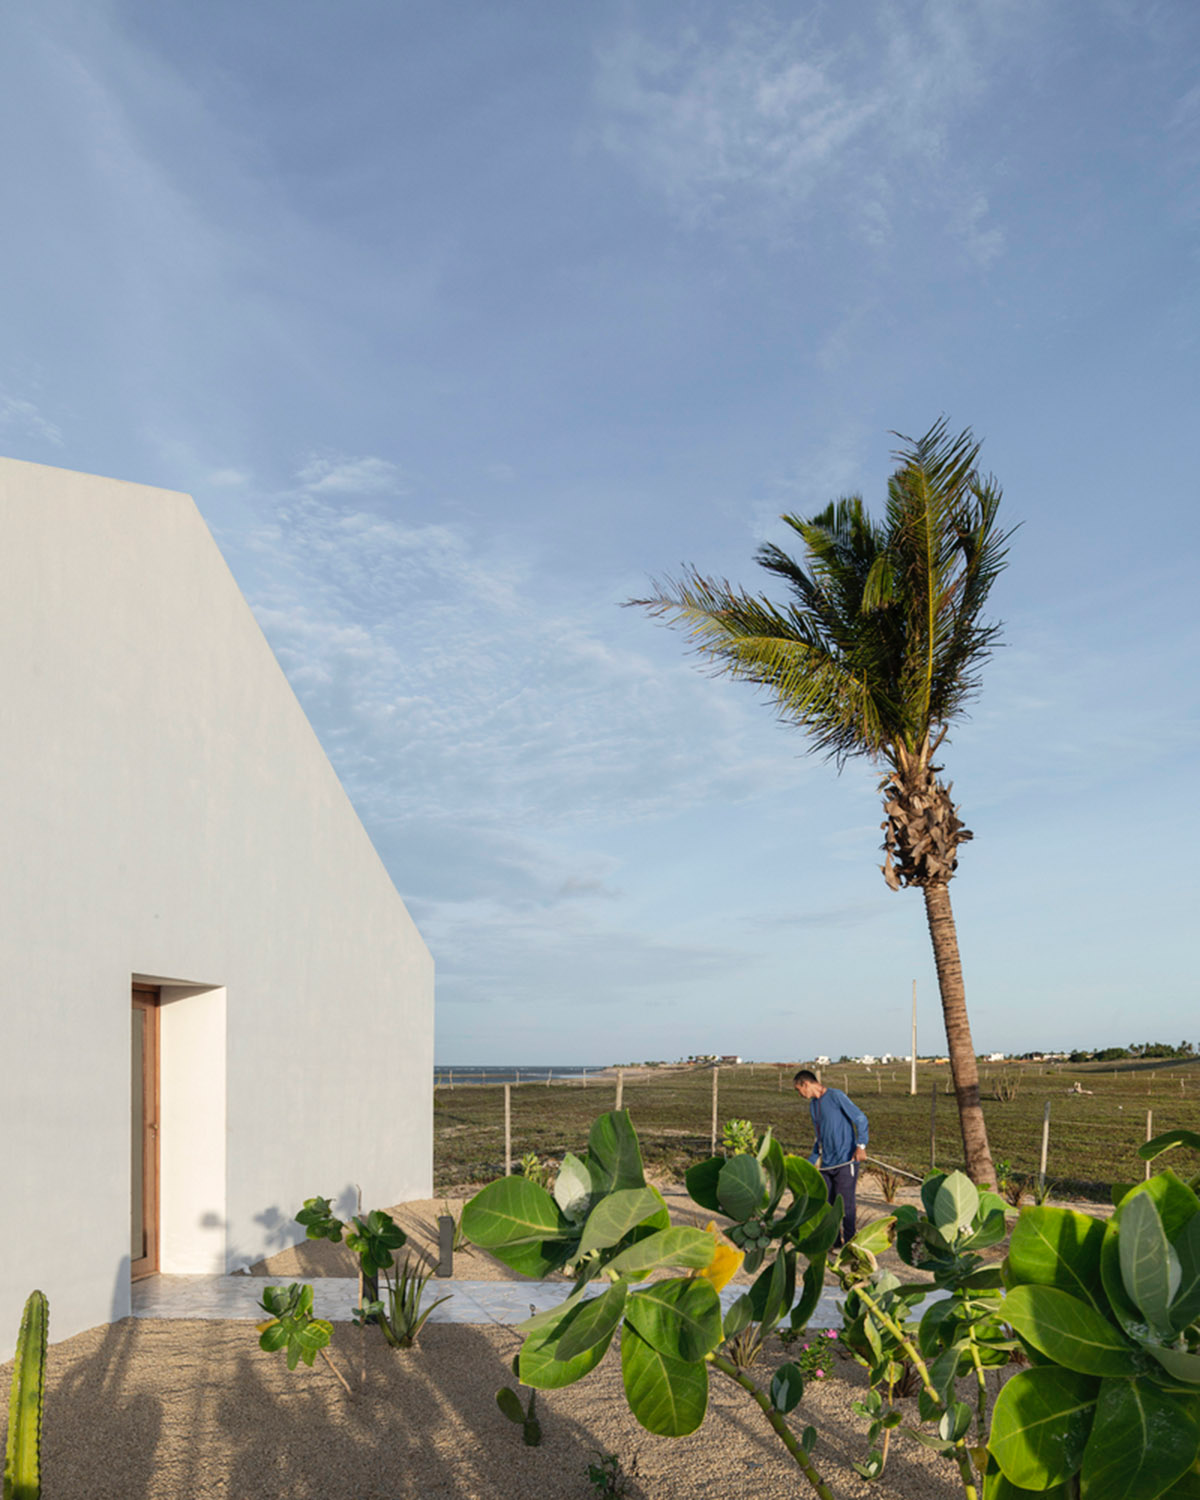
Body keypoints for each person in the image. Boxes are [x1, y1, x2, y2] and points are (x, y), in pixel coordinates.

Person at [793, 1068, 869, 1246]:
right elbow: (819, 1138)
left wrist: (861, 1146)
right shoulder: (813, 1106)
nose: (800, 1094)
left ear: (806, 1084)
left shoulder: (836, 1096)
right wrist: (810, 1162)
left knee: (846, 1206)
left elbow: (861, 1119)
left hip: (846, 1161)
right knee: (827, 1206)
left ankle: (850, 1245)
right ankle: (833, 1243)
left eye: (799, 1089)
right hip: (826, 1165)